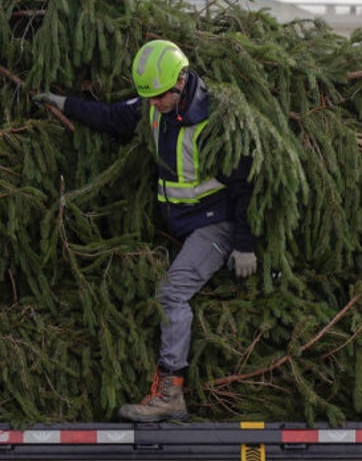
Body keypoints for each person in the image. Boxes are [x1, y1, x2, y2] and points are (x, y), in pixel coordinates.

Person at [33, 39, 257, 422]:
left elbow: (243, 187)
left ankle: (171, 394)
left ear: (181, 82)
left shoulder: (213, 123)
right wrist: (63, 103)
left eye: (160, 97)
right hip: (179, 222)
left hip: (212, 225)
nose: (153, 104)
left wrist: (243, 243)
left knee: (171, 294)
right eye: (149, 98)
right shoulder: (153, 106)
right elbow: (113, 116)